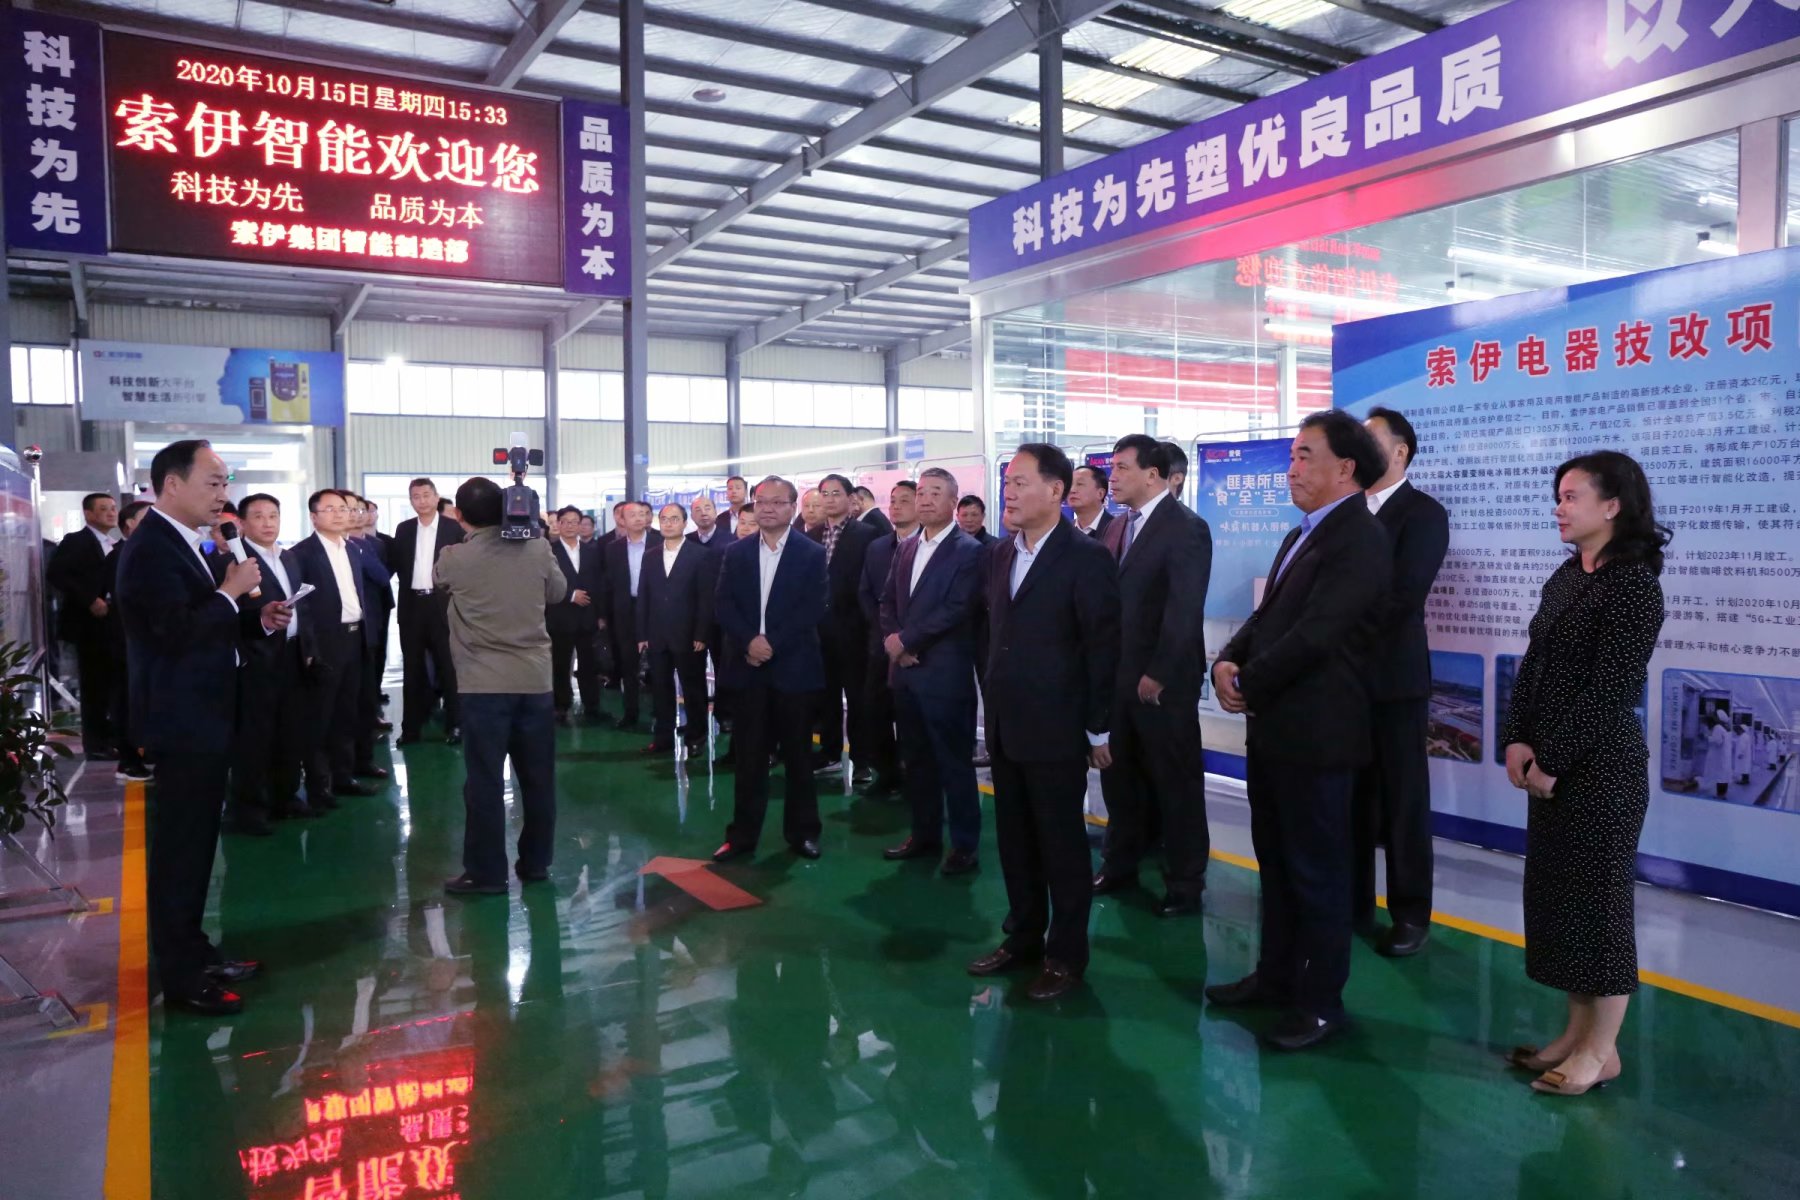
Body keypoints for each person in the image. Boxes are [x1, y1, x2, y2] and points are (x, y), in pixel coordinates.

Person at [1206, 411, 1390, 1051]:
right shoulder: (1301, 535)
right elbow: (1268, 619)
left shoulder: (1360, 539)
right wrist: (1227, 660)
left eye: (1305, 455)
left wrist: (1248, 681)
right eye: (1291, 456)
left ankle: (1320, 1003)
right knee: (1279, 864)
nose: (1291, 469)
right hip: (1277, 731)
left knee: (1318, 873)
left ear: (1347, 467)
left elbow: (1318, 634)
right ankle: (1276, 977)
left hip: (1319, 736)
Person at [1500, 451, 1668, 1096]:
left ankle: (1603, 1051)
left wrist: (1554, 760)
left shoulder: (1633, 586)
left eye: (1572, 497)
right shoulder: (1568, 575)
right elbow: (1535, 662)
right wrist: (1518, 738)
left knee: (1599, 909)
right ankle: (1574, 1036)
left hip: (1602, 771)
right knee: (1561, 904)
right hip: (1553, 764)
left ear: (1612, 506)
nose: (1559, 508)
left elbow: (1611, 689)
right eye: (1559, 496)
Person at [115, 439, 288, 1015]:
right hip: (182, 719)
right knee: (181, 851)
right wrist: (230, 592)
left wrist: (257, 619)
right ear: (171, 484)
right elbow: (174, 633)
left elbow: (206, 623)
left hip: (206, 714)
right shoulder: (150, 550)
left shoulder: (183, 542)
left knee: (196, 848)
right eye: (212, 482)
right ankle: (182, 978)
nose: (223, 494)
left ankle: (195, 951)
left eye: (225, 482)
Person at [970, 444, 1120, 1002]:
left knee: (1061, 846)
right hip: (1007, 724)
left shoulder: (1086, 557)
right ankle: (1023, 938)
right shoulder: (1000, 555)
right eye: (1006, 482)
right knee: (1015, 841)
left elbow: (1102, 647)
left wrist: (1098, 728)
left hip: (1057, 727)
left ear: (1056, 491)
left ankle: (1066, 955)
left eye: (1020, 482)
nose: (1007, 492)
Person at [1093, 434, 1214, 917]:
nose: (1113, 477)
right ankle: (1120, 864)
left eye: (1122, 468)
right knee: (1120, 778)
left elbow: (1184, 608)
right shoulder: (1118, 526)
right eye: (1112, 467)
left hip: (1161, 684)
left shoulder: (1186, 527)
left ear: (1154, 474)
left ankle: (1185, 882)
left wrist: (1159, 672)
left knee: (1175, 783)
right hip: (1116, 678)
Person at [435, 477, 568, 895]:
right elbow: (559, 593)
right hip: (534, 681)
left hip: (483, 685)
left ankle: (487, 874)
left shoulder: (455, 557)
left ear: (459, 515)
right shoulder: (538, 548)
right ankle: (536, 862)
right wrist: (538, 538)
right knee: (538, 777)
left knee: (485, 781)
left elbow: (439, 580)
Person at [1353, 407, 1451, 957]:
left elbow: (1404, 596)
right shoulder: (1346, 511)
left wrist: (1332, 630)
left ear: (1399, 452)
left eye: (1371, 440)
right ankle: (1353, 904)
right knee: (1350, 799)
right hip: (1342, 684)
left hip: (1393, 681)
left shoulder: (1423, 514)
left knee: (1404, 802)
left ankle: (1411, 914)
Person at [712, 477, 829, 862]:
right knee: (749, 758)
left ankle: (804, 832)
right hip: (749, 669)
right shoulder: (737, 552)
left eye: (778, 502)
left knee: (798, 757)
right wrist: (750, 641)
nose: (768, 509)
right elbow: (723, 604)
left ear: (792, 508)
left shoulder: (811, 553)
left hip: (794, 668)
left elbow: (812, 607)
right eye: (762, 501)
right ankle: (741, 836)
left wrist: (770, 643)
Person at [880, 468, 985, 874]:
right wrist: (894, 640)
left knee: (953, 763)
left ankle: (964, 845)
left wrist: (908, 641)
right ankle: (923, 835)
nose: (924, 499)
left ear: (953, 502)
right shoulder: (907, 547)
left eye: (935, 493)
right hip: (905, 674)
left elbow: (957, 608)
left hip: (944, 674)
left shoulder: (969, 551)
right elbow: (887, 601)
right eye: (921, 492)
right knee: (916, 761)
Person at [232, 493, 321, 822]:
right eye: (258, 516)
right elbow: (229, 614)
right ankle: (251, 807)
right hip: (256, 659)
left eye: (273, 515)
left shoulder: (288, 557)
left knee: (290, 730)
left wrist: (308, 650)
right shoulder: (236, 562)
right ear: (242, 523)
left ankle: (287, 796)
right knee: (256, 736)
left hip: (292, 654)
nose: (268, 523)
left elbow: (303, 608)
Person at [292, 490, 385, 802]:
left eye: (343, 509)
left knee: (348, 711)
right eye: (329, 509)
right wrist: (309, 649)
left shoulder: (353, 549)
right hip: (326, 642)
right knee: (321, 716)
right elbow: (301, 606)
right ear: (314, 517)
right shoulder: (302, 554)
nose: (339, 514)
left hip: (355, 638)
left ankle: (344, 776)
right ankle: (319, 787)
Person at [637, 502, 719, 755]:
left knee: (693, 688)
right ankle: (662, 738)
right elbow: (644, 595)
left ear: (685, 523)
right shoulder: (650, 555)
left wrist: (701, 633)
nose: (669, 523)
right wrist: (642, 634)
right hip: (657, 634)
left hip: (688, 635)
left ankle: (696, 736)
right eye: (664, 519)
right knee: (660, 689)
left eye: (674, 519)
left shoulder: (700, 555)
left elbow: (706, 598)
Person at [809, 474, 876, 777]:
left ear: (851, 499)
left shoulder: (867, 534)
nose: (830, 499)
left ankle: (862, 760)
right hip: (819, 631)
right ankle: (830, 752)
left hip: (854, 629)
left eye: (836, 493)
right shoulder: (811, 535)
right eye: (825, 494)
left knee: (859, 698)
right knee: (826, 696)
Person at [854, 482, 919, 796]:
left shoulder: (929, 547)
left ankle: (912, 775)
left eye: (905, 500)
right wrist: (887, 634)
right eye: (892, 500)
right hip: (880, 646)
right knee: (875, 711)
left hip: (917, 650)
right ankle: (887, 772)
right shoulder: (877, 547)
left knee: (911, 717)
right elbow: (867, 593)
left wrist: (906, 640)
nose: (896, 506)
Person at [47, 492, 121, 759]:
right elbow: (56, 573)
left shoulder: (112, 543)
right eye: (103, 509)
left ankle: (109, 738)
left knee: (109, 683)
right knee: (94, 685)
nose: (111, 513)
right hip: (87, 625)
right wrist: (90, 599)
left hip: (109, 624)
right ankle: (95, 745)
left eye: (113, 508)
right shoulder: (77, 541)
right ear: (88, 514)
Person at [393, 478, 465, 746]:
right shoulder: (404, 529)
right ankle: (411, 728)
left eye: (426, 495)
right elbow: (399, 565)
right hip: (412, 605)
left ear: (436, 498)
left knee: (449, 667)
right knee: (412, 669)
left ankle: (455, 724)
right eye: (416, 496)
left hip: (442, 606)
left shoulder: (453, 529)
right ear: (411, 501)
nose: (421, 501)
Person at [106, 501, 154, 784]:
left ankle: (142, 754)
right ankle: (128, 760)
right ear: (129, 525)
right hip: (124, 643)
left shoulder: (146, 552)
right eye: (147, 518)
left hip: (140, 643)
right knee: (126, 700)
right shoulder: (123, 554)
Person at [601, 500, 660, 730]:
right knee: (628, 664)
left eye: (641, 514)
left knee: (658, 663)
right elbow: (608, 585)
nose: (637, 518)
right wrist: (605, 615)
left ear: (647, 518)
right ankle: (631, 712)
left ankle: (660, 713)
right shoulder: (613, 548)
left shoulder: (659, 542)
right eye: (631, 515)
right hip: (625, 611)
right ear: (622, 520)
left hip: (654, 610)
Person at [544, 505, 605, 725]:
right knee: (560, 664)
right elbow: (545, 582)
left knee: (589, 665)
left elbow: (600, 582)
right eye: (565, 522)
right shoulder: (549, 551)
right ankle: (560, 706)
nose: (570, 526)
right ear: (558, 525)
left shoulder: (592, 551)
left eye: (574, 522)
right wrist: (570, 595)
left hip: (588, 616)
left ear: (580, 525)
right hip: (560, 615)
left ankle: (592, 707)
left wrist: (601, 615)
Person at [1068, 464, 1113, 539]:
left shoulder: (1117, 528)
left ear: (1100, 494)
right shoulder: (1064, 530)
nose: (1072, 490)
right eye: (1070, 485)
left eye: (1080, 484)